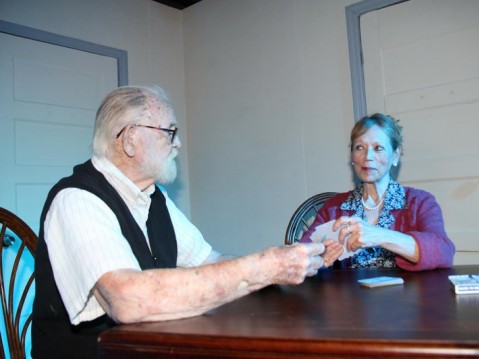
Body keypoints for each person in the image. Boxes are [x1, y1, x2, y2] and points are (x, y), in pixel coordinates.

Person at [32, 85, 325, 359]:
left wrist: (287, 265)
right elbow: (126, 300)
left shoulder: (153, 196)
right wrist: (262, 267)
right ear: (131, 138)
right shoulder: (77, 199)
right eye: (169, 131)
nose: (179, 143)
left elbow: (207, 260)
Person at [300, 113, 455, 271]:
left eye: (378, 148)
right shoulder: (334, 207)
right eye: (359, 147)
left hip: (405, 295)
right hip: (350, 295)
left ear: (395, 155)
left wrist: (379, 235)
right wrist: (319, 261)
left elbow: (444, 253)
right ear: (352, 156)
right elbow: (301, 254)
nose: (368, 157)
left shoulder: (420, 202)